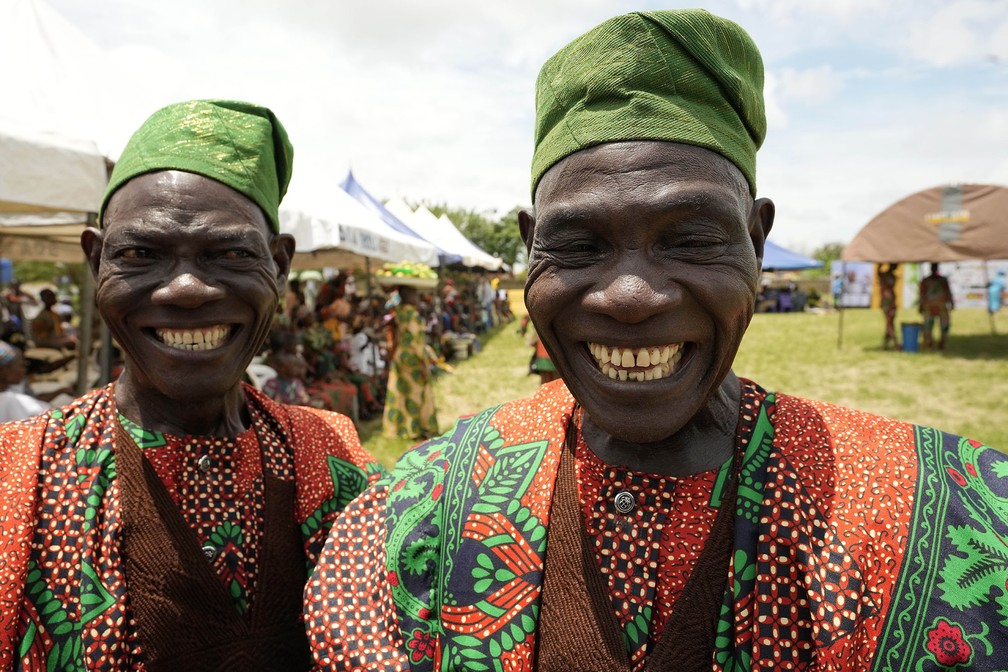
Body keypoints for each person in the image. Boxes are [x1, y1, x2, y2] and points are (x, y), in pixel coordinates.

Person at [305, 10, 1008, 670]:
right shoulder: (415, 515)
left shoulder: (953, 518)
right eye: (578, 245)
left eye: (692, 238)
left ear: (756, 243)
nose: (632, 298)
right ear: (529, 252)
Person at [0, 99, 383, 670]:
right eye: (139, 254)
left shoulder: (332, 462)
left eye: (229, 252)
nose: (184, 288)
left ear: (279, 266)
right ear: (95, 260)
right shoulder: (18, 475)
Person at [381, 284, 438, 440]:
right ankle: (417, 429)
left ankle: (400, 428)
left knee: (401, 392)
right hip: (413, 358)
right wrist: (422, 362)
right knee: (416, 393)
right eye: (415, 295)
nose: (418, 298)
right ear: (410, 297)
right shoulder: (412, 314)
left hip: (400, 356)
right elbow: (415, 340)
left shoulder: (397, 312)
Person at [0, 341, 50, 422]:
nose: (24, 370)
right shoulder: (11, 401)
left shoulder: (13, 396)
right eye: (21, 365)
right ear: (4, 370)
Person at [919, 262, 954, 350]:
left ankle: (942, 343)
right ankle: (929, 343)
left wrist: (951, 302)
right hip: (930, 305)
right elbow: (922, 294)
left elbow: (948, 292)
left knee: (944, 325)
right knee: (928, 325)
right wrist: (921, 305)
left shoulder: (942, 280)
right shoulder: (926, 280)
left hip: (940, 305)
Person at [877, 263, 899, 350]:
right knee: (889, 322)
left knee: (889, 322)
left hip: (890, 302)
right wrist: (881, 263)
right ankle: (895, 344)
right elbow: (878, 272)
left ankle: (885, 345)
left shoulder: (891, 276)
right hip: (887, 302)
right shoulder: (885, 275)